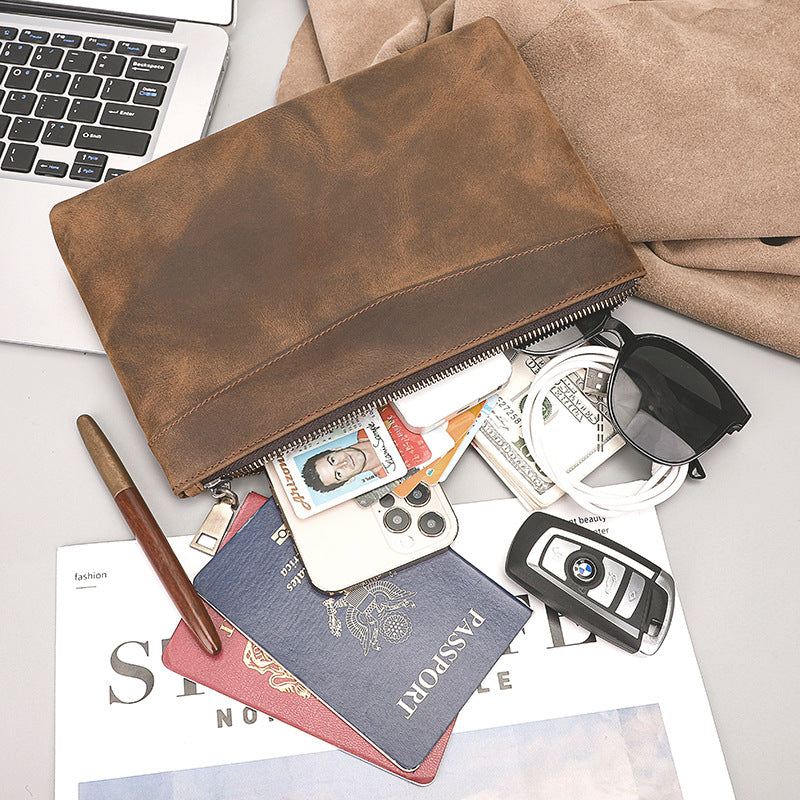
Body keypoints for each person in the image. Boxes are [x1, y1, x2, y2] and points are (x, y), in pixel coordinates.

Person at [301, 429, 387, 493]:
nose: (343, 463)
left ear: (335, 449)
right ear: (348, 481)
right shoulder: (389, 480)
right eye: (338, 474)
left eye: (333, 460)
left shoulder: (366, 424)